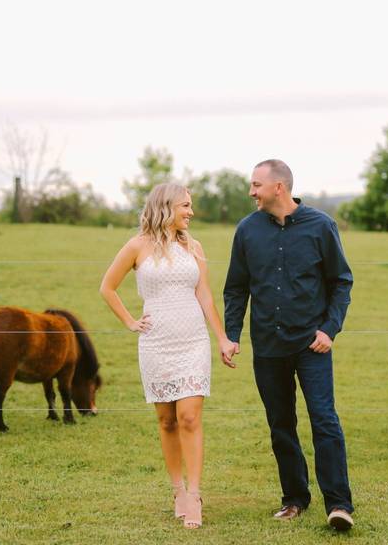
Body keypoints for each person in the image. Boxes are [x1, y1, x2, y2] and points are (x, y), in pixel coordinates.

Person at [222, 159, 355, 531]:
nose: (251, 192)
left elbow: (341, 282)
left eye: (255, 185)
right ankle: (294, 498)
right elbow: (236, 288)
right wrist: (232, 335)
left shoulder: (322, 226)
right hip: (267, 346)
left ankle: (339, 504)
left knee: (324, 420)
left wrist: (329, 329)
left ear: (278, 187)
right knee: (281, 424)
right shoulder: (247, 231)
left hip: (311, 345)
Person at [100, 183, 236, 529]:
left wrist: (221, 338)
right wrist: (131, 321)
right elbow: (107, 287)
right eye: (185, 206)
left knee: (189, 416)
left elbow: (204, 294)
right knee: (167, 420)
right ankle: (176, 489)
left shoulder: (194, 246)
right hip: (156, 343)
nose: (191, 212)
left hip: (192, 340)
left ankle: (194, 493)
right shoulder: (136, 246)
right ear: (166, 206)